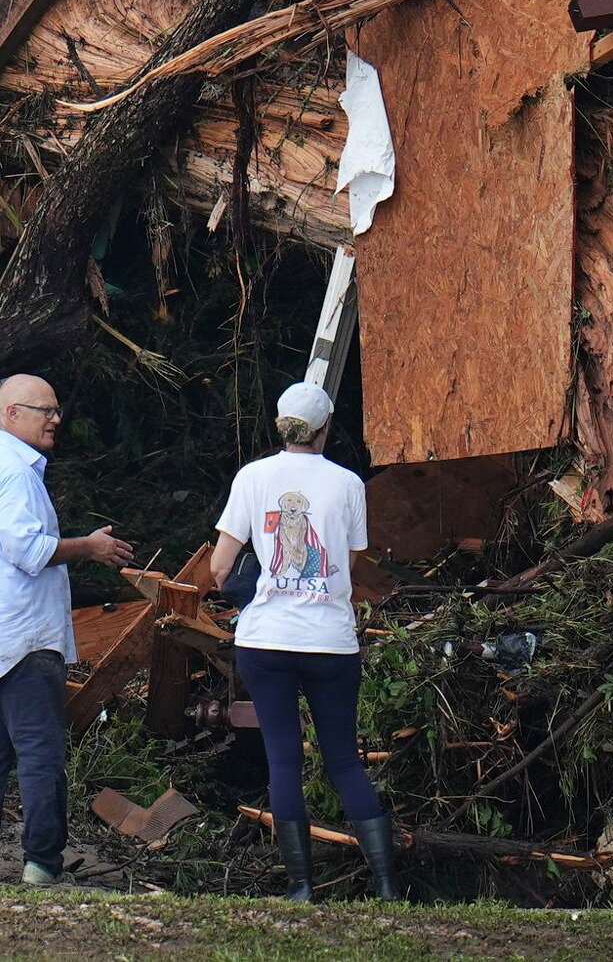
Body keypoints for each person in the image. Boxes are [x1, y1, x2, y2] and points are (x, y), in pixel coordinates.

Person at [209, 381, 400, 902]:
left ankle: (301, 886)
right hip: (331, 642)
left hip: (266, 642)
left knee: (283, 760)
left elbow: (220, 567)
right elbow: (352, 563)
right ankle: (386, 884)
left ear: (280, 425)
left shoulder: (253, 477)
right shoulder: (347, 484)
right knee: (343, 760)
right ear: (325, 428)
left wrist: (255, 594)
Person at [0, 374, 133, 886]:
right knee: (39, 750)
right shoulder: (14, 473)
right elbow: (27, 551)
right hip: (22, 637)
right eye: (43, 410)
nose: (56, 419)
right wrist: (89, 547)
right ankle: (41, 865)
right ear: (10, 414)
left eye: (56, 410)